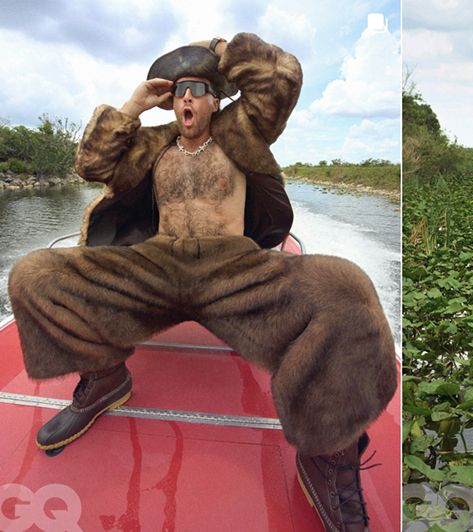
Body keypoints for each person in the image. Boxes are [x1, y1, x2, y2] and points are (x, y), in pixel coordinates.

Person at [8, 33, 396, 531]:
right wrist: (135, 104)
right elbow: (90, 165)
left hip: (232, 268)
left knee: (349, 286)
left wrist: (223, 48)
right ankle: (105, 377)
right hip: (156, 265)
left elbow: (282, 80)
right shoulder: (153, 142)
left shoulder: (244, 128)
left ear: (216, 97)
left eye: (197, 88)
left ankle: (326, 451)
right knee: (34, 273)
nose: (186, 97)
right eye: (178, 91)